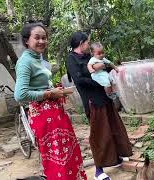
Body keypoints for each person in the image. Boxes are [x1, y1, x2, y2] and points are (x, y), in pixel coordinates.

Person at [14, 23, 87, 180]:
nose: (42, 41)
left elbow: (42, 86)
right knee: (57, 159)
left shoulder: (38, 59)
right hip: (44, 115)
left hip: (55, 112)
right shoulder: (25, 62)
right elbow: (20, 95)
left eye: (44, 38)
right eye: (37, 38)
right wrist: (48, 94)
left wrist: (56, 92)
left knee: (67, 153)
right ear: (27, 40)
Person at [66, 32, 133, 180]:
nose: (89, 45)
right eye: (87, 42)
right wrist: (98, 82)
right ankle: (98, 170)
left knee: (114, 128)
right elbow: (79, 80)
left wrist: (109, 67)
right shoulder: (72, 59)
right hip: (93, 101)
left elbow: (103, 69)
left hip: (105, 97)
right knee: (99, 134)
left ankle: (116, 158)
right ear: (80, 43)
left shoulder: (89, 57)